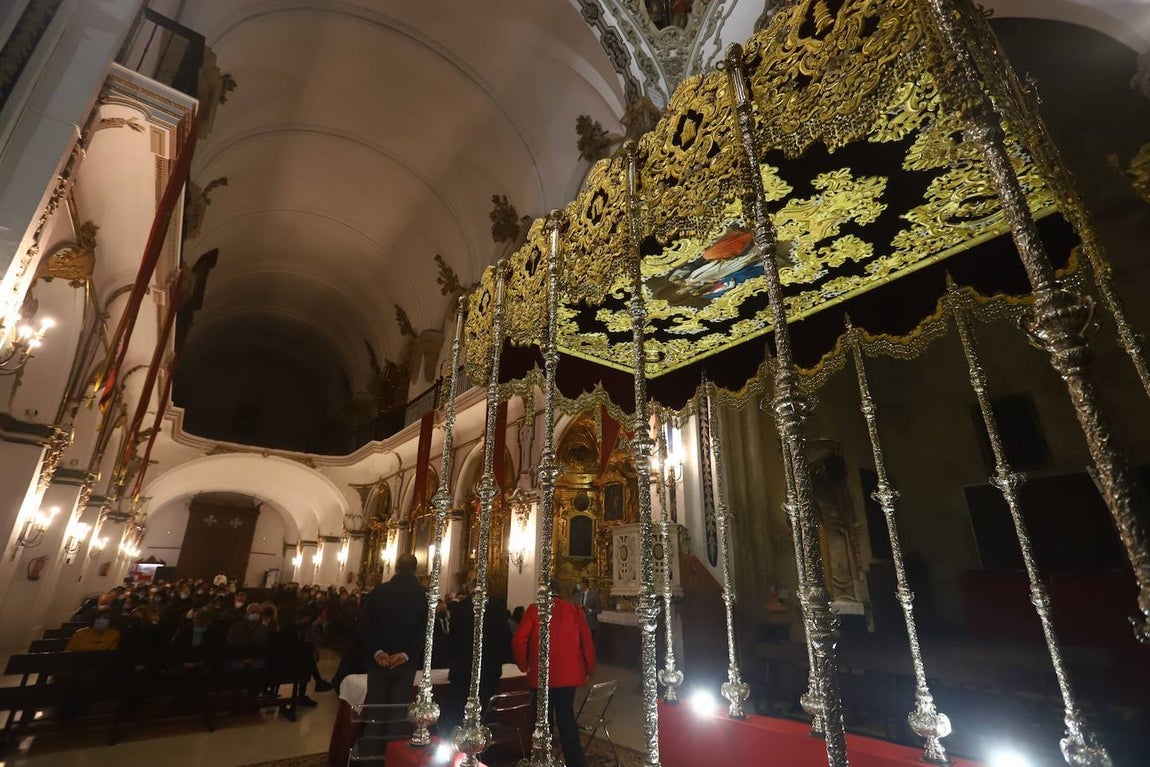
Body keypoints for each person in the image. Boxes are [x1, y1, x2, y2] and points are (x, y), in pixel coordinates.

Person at [513, 580, 595, 767]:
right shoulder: (574, 610)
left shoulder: (535, 610)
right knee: (566, 718)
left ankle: (541, 758)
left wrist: (524, 665)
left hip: (542, 676)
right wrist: (589, 668)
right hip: (569, 675)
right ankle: (576, 762)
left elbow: (519, 640)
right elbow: (586, 641)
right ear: (559, 592)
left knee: (543, 720)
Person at [357, 552, 426, 727]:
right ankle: (393, 750)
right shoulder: (423, 595)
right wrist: (405, 654)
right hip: (405, 664)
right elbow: (426, 631)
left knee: (375, 711)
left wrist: (377, 651)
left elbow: (364, 625)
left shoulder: (379, 592)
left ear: (395, 567)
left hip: (379, 661)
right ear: (415, 569)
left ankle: (371, 750)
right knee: (398, 712)